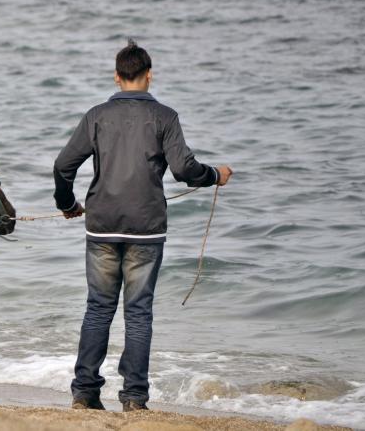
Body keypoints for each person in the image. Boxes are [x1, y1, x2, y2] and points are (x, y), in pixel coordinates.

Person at [53, 40, 232, 412]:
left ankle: (84, 393)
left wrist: (67, 204)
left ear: (117, 77)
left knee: (98, 308)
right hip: (146, 228)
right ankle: (134, 398)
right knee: (138, 312)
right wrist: (215, 175)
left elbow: (63, 165)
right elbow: (184, 170)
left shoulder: (97, 115)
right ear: (149, 75)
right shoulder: (165, 117)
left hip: (101, 225)